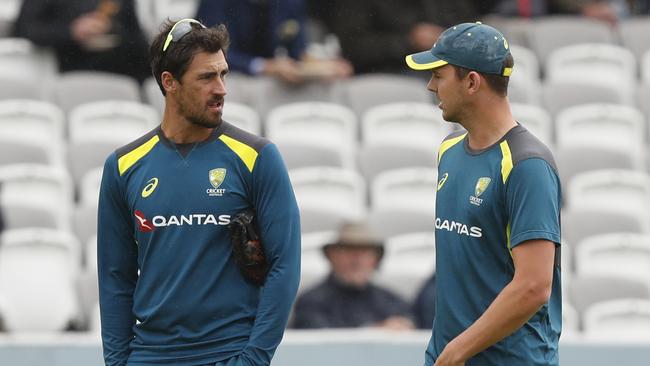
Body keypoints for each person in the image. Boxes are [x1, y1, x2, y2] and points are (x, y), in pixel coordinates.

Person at [97, 19, 301, 366]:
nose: (221, 89)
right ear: (169, 82)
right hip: (151, 357)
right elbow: (115, 278)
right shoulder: (122, 167)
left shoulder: (258, 158)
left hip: (229, 354)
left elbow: (285, 266)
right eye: (206, 77)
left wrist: (253, 359)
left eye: (223, 74)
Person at [405, 22, 562, 366]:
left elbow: (534, 286)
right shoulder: (449, 150)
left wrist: (459, 350)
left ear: (472, 82)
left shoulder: (526, 165)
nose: (431, 86)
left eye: (439, 75)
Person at [292, 221, 414, 330]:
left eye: (365, 252)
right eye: (348, 251)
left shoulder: (392, 301)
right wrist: (376, 332)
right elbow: (322, 340)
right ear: (332, 257)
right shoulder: (311, 302)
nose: (357, 260)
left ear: (375, 260)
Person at [196, 0, 352, 83]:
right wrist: (265, 66)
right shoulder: (215, 3)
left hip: (269, 85)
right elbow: (211, 54)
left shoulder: (289, 3)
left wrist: (322, 67)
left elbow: (297, 52)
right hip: (227, 82)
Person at [12, 0, 150, 83]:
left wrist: (111, 27)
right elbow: (24, 29)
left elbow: (136, 36)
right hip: (66, 69)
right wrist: (72, 32)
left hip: (122, 71)